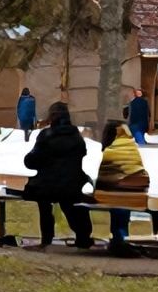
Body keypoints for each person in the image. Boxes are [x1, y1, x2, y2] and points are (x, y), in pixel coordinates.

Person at [22, 101, 93, 250]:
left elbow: (31, 161)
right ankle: (83, 236)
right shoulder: (76, 135)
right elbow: (82, 154)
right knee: (70, 201)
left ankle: (47, 238)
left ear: (51, 117)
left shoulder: (46, 135)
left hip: (48, 185)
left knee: (44, 200)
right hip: (73, 184)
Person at [96, 119, 149, 253]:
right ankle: (121, 238)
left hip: (118, 196)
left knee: (116, 199)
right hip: (138, 194)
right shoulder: (133, 148)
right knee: (124, 200)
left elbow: (103, 179)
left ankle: (118, 239)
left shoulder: (110, 150)